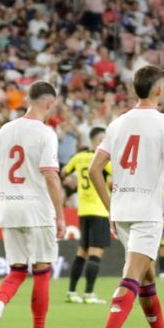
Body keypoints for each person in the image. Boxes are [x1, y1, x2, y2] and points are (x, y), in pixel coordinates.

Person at [88, 65, 164, 328]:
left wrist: (111, 206)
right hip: (147, 211)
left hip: (121, 209)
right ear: (159, 89)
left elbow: (94, 170)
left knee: (147, 275)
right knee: (134, 273)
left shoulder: (117, 124)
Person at [0, 81, 66, 328]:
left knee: (17, 270)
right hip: (37, 209)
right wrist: (61, 216)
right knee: (41, 271)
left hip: (8, 207)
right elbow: (51, 177)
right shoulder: (46, 134)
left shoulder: (5, 130)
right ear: (49, 103)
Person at [64, 127, 110, 303]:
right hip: (99, 210)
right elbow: (119, 174)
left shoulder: (78, 157)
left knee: (81, 252)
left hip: (83, 210)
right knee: (95, 253)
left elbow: (64, 173)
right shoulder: (103, 160)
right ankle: (89, 293)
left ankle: (71, 291)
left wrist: (75, 185)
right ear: (98, 141)